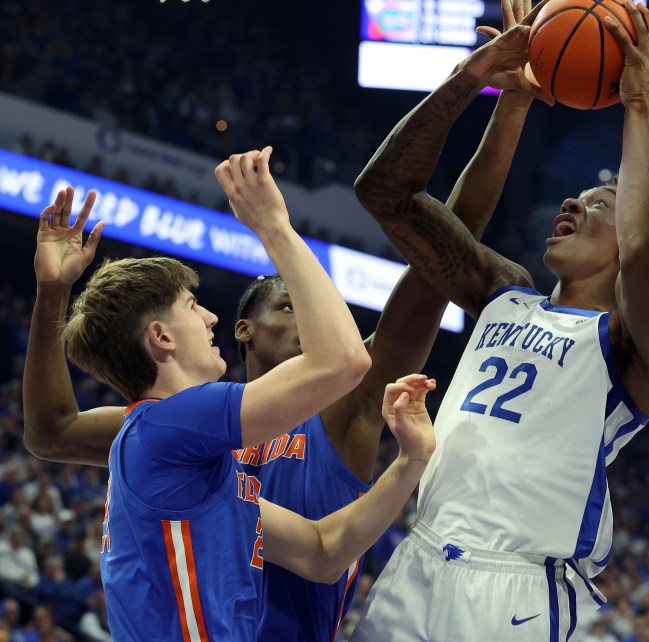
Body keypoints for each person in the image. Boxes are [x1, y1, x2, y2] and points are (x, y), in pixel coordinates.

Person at [23, 82, 528, 638]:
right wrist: (275, 227)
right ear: (245, 329)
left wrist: (511, 103)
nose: (313, 313)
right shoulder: (170, 425)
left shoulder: (217, 465)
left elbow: (446, 249)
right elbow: (52, 432)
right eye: (290, 303)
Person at [350, 1, 649, 639]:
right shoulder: (505, 291)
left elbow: (648, 253)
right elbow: (385, 194)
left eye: (601, 204)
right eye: (582, 195)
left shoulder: (638, 346)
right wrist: (481, 86)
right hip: (417, 559)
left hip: (518, 591)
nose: (574, 202)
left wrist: (639, 105)